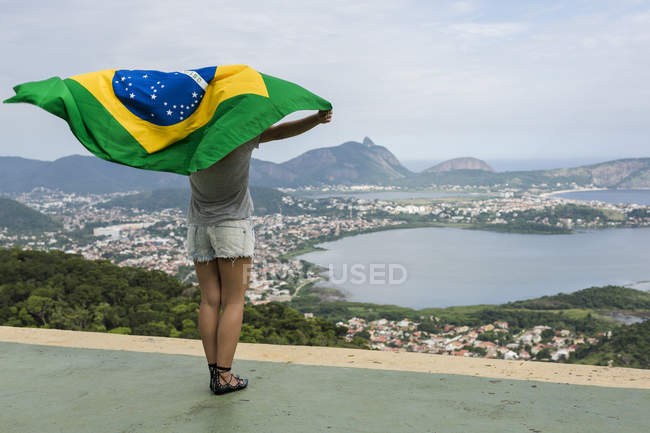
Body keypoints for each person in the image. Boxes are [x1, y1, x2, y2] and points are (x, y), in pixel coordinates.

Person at [186, 109, 333, 395]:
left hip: (198, 226)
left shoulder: (190, 138)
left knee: (208, 301)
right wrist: (315, 119)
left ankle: (213, 372)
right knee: (234, 301)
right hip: (233, 228)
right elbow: (280, 131)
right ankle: (225, 376)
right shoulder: (239, 135)